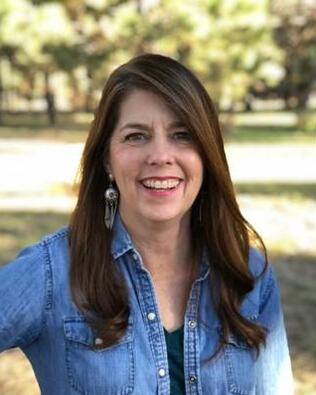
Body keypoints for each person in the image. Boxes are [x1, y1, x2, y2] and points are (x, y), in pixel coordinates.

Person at [0, 54, 293, 395]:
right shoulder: (52, 273)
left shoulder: (249, 273)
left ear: (207, 154)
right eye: (136, 136)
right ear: (107, 158)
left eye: (182, 134)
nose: (160, 155)